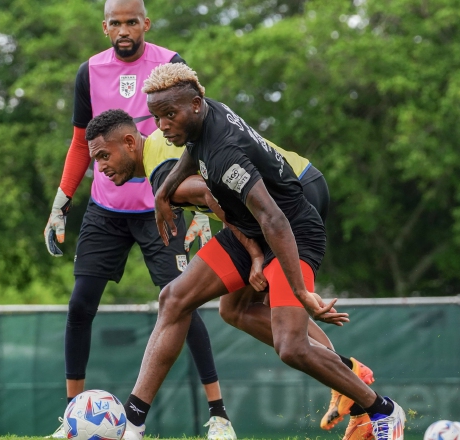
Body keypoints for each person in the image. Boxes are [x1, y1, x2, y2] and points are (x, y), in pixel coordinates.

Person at [112, 63, 406, 440]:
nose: (163, 125)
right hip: (251, 230)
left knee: (291, 346)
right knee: (176, 298)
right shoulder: (202, 117)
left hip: (291, 230)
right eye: (157, 117)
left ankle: (382, 410)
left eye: (170, 115)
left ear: (196, 105)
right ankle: (134, 422)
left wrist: (301, 291)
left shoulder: (225, 154)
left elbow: (274, 219)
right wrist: (165, 191)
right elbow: (192, 154)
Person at [42, 1, 235, 438]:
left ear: (146, 23)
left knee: (184, 304)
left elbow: (196, 134)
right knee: (78, 306)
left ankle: (219, 415)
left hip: (162, 207)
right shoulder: (88, 72)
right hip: (105, 212)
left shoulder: (170, 64)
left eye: (132, 21)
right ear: (105, 26)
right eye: (116, 22)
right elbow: (78, 143)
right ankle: (73, 417)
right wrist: (61, 201)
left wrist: (201, 211)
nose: (124, 29)